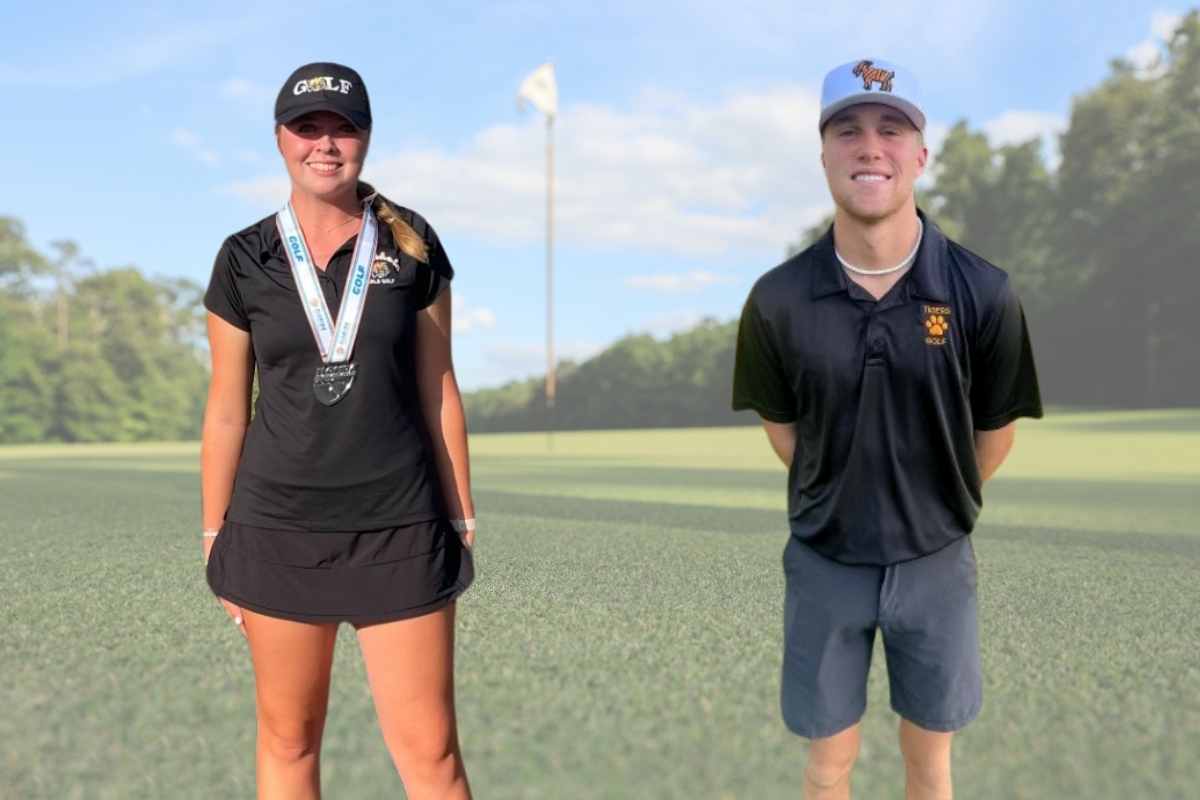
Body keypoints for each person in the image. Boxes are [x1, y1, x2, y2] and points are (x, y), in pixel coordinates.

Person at [732, 58, 1042, 799]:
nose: (870, 146)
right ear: (825, 155)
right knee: (826, 767)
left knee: (930, 768)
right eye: (849, 129)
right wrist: (842, 493)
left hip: (937, 561)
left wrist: (930, 497)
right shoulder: (776, 299)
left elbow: (993, 435)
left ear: (920, 154)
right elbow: (784, 429)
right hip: (825, 561)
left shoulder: (984, 292)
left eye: (891, 129)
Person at [201, 62, 475, 800]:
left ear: (366, 138)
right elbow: (228, 406)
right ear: (281, 139)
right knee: (288, 741)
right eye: (307, 128)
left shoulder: (411, 244)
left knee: (433, 755)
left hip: (401, 526)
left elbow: (437, 386)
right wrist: (211, 533)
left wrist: (461, 514)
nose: (325, 144)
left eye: (343, 127)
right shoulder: (243, 257)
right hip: (276, 529)